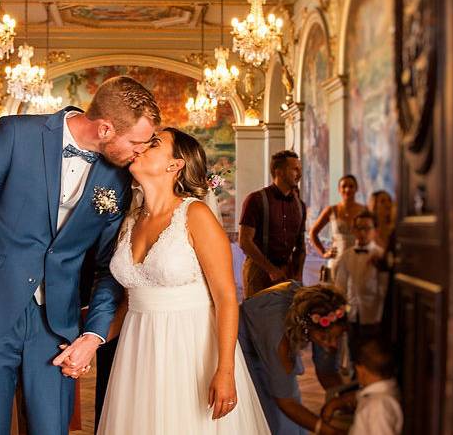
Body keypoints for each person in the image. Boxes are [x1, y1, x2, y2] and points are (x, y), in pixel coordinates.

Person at [0, 76, 161, 435]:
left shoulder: (118, 177)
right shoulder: (14, 134)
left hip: (57, 328)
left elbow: (109, 267)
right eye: (136, 143)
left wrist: (93, 336)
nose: (140, 152)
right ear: (105, 128)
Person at [97, 128, 270, 434]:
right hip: (137, 353)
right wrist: (91, 342)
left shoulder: (196, 215)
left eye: (153, 144)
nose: (141, 147)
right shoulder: (130, 221)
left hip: (190, 349)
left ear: (175, 164)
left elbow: (226, 298)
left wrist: (225, 370)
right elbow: (129, 302)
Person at [239, 283, 348, 435]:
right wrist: (329, 431)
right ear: (307, 327)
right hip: (243, 352)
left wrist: (346, 401)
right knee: (276, 421)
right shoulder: (280, 342)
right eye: (325, 338)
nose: (333, 344)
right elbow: (286, 402)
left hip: (268, 335)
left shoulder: (312, 310)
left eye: (337, 336)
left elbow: (326, 372)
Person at [238, 150, 307, 298]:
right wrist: (270, 269)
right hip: (258, 271)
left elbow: (301, 246)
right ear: (279, 172)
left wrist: (298, 275)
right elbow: (244, 241)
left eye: (300, 169)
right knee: (257, 318)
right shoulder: (256, 199)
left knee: (284, 318)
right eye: (295, 169)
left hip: (286, 273)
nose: (299, 174)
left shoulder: (300, 205)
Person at [321, 337, 403, 435]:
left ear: (360, 370)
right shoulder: (387, 389)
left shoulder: (376, 406)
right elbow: (358, 396)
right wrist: (335, 403)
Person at [332, 211, 391, 334]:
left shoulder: (380, 256)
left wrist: (381, 316)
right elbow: (340, 286)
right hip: (351, 314)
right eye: (358, 228)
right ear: (353, 230)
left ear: (375, 231)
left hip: (373, 315)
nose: (362, 232)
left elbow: (384, 290)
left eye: (367, 228)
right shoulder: (346, 256)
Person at [309, 175, 367, 281]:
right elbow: (313, 232)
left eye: (351, 186)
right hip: (337, 261)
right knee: (336, 295)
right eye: (344, 186)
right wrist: (324, 252)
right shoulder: (331, 210)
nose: (347, 189)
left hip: (359, 260)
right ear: (339, 189)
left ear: (356, 188)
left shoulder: (364, 210)